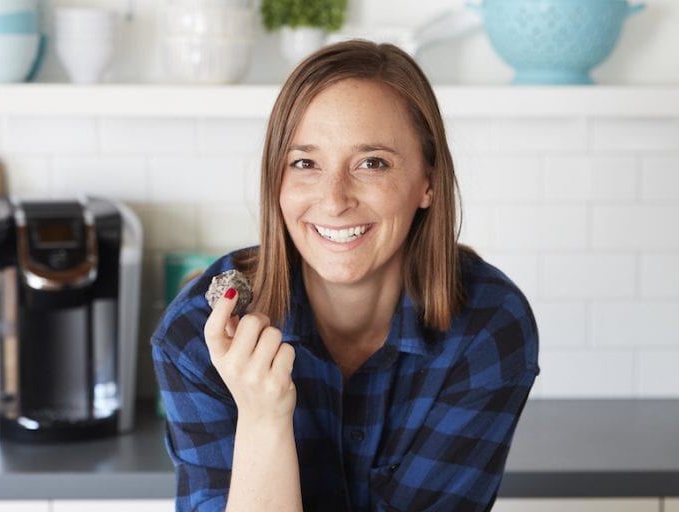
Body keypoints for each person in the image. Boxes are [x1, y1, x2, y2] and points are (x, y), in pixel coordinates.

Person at [152, 40, 539, 512]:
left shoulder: (486, 324)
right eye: (305, 163)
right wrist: (263, 420)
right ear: (276, 179)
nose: (334, 199)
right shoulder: (199, 331)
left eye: (372, 163)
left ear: (428, 182)